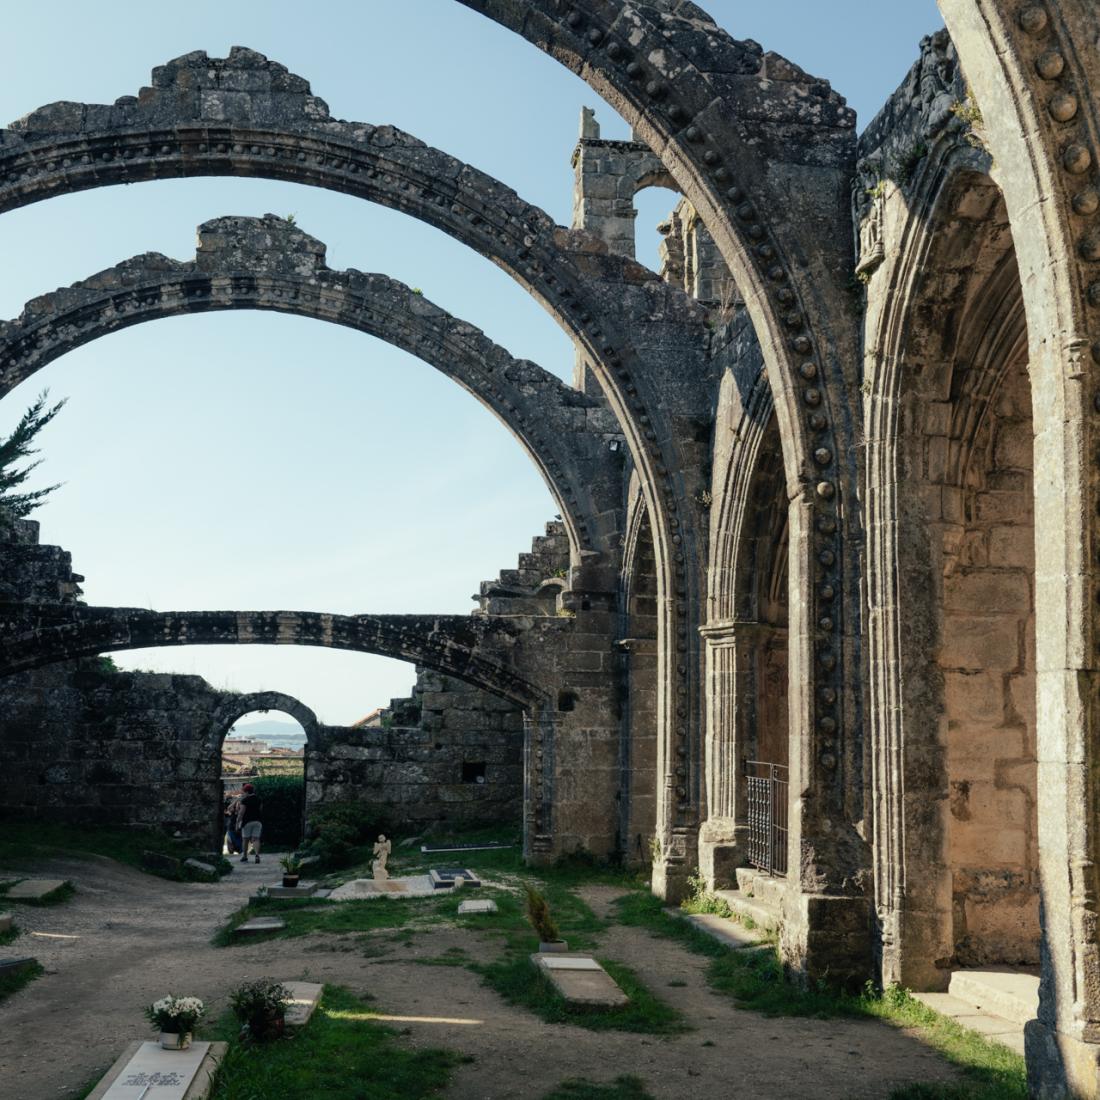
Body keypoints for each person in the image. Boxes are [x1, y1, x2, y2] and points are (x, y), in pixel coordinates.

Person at [237, 782, 263, 863]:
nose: (243, 793)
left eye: (244, 792)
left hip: (247, 822)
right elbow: (260, 810)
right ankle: (257, 855)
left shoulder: (244, 800)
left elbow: (241, 813)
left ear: (247, 792)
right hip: (257, 821)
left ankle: (245, 856)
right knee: (256, 839)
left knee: (245, 839)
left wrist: (237, 822)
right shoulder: (259, 799)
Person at [224, 790, 243, 855]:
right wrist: (236, 800)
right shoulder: (233, 810)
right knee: (230, 844)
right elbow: (229, 808)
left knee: (240, 847)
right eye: (238, 804)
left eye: (240, 804)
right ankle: (231, 855)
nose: (238, 805)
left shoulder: (243, 811)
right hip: (231, 829)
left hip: (240, 830)